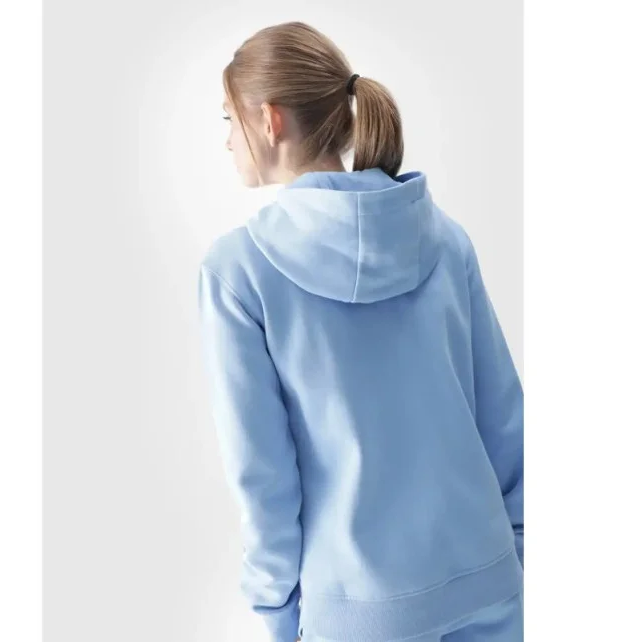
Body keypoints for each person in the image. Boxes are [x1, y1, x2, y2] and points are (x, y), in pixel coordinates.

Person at [197, 21, 524, 642]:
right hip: (491, 587)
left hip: (358, 615)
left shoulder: (238, 273)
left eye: (227, 119)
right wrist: (516, 554)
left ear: (268, 120)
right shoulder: (444, 237)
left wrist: (278, 614)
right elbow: (506, 420)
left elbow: (264, 480)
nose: (227, 140)